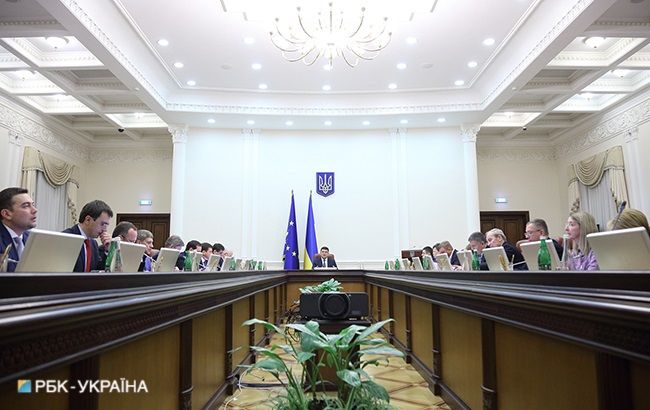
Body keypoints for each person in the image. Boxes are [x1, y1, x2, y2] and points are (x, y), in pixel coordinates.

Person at [63, 200, 113, 272]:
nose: (104, 230)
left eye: (106, 225)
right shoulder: (66, 238)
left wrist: (108, 250)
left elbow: (98, 271)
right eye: (102, 224)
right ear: (88, 220)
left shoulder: (93, 244)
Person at [0, 187, 37, 272]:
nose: (35, 210)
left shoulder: (33, 239)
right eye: (26, 206)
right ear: (6, 214)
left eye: (33, 205)